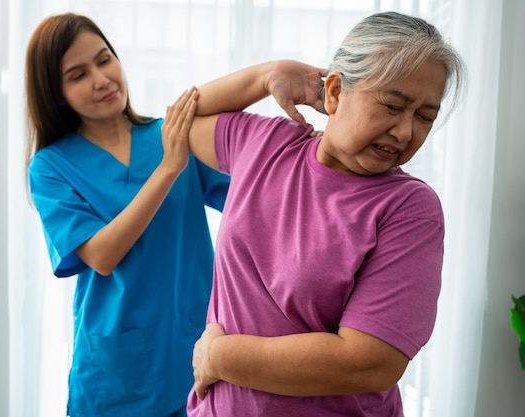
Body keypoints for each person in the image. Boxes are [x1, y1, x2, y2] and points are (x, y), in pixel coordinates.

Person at [183, 11, 466, 417]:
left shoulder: (409, 209)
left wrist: (218, 357)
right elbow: (182, 121)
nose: (405, 132)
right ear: (334, 93)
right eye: (391, 105)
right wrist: (269, 74)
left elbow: (369, 362)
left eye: (425, 117)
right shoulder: (265, 144)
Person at [24, 13, 231, 417]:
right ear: (56, 92)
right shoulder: (51, 167)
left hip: (196, 352)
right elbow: (102, 256)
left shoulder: (169, 135)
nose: (101, 79)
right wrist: (168, 168)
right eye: (78, 74)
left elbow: (252, 198)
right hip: (117, 375)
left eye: (104, 60)